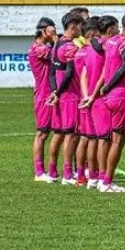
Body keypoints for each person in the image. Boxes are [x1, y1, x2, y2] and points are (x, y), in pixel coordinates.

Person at [98, 11, 125, 193]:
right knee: (119, 141)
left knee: (115, 139)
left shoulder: (110, 41)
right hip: (121, 95)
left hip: (112, 96)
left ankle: (106, 180)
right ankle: (108, 182)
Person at [46, 12, 84, 186]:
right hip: (69, 96)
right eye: (80, 26)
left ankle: (52, 171)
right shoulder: (70, 47)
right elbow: (69, 73)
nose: (81, 30)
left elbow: (52, 72)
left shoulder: (56, 45)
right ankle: (68, 174)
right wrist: (60, 92)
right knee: (71, 135)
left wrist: (54, 91)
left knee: (59, 134)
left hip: (60, 96)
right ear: (73, 26)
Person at [78, 17, 112, 189]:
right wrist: (93, 95)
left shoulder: (89, 48)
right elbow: (105, 74)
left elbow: (83, 74)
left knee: (92, 139)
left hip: (90, 98)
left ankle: (92, 177)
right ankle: (104, 179)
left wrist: (86, 95)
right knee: (103, 139)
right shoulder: (104, 47)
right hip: (99, 99)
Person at [29, 17, 57, 183]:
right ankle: (39, 171)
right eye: (51, 30)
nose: (53, 32)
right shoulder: (37, 49)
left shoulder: (42, 48)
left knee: (60, 132)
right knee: (42, 133)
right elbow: (57, 54)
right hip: (43, 95)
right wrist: (56, 40)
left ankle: (52, 170)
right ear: (42, 30)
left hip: (49, 93)